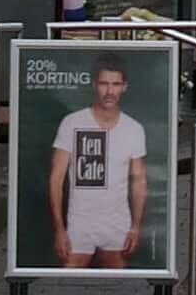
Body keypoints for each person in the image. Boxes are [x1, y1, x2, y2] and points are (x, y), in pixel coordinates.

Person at [46, 58, 152, 271]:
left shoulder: (134, 129)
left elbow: (139, 181)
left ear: (124, 87)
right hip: (79, 221)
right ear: (94, 85)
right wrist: (59, 229)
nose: (109, 91)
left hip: (117, 222)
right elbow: (56, 177)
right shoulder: (72, 123)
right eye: (104, 83)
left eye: (115, 84)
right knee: (65, 283)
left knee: (118, 285)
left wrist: (136, 227)